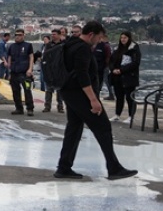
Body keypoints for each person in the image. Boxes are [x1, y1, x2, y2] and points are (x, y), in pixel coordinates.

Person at [53, 21, 137, 181]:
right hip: (80, 94)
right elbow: (82, 75)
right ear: (91, 34)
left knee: (74, 127)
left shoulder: (70, 43)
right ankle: (114, 168)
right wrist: (93, 100)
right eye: (99, 38)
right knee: (103, 127)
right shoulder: (83, 48)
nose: (99, 41)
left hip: (68, 92)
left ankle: (63, 167)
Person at [107, 32, 141, 124]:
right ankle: (117, 115)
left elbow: (135, 63)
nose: (123, 39)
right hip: (117, 77)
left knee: (130, 98)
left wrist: (122, 70)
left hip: (129, 77)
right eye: (121, 37)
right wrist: (113, 69)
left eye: (125, 37)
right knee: (119, 97)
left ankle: (131, 116)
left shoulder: (134, 49)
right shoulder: (117, 49)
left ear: (129, 38)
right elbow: (111, 61)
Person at [6, 29, 35, 116]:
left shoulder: (28, 46)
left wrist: (30, 69)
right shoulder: (12, 46)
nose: (18, 36)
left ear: (23, 36)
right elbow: (9, 58)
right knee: (15, 91)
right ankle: (19, 108)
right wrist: (9, 72)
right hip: (14, 72)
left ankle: (30, 108)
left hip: (25, 73)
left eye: (20, 35)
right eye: (16, 35)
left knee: (27, 90)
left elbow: (31, 57)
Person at [43, 28, 66, 113]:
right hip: (50, 69)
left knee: (59, 90)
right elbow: (45, 56)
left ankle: (60, 107)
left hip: (60, 70)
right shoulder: (48, 45)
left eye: (54, 34)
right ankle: (47, 106)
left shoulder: (63, 45)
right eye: (52, 34)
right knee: (48, 89)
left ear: (59, 35)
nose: (52, 36)